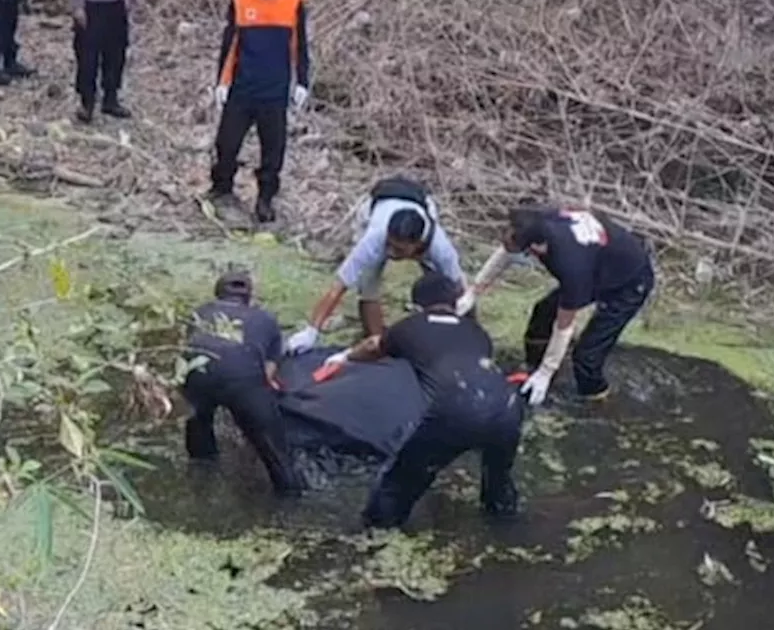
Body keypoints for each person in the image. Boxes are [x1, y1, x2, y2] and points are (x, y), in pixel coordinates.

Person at [323, 272, 522, 528]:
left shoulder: (410, 326)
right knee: (498, 481)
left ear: (417, 305)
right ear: (455, 302)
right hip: (508, 407)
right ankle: (506, 531)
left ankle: (376, 534)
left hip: (456, 410)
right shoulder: (477, 331)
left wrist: (344, 357)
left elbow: (374, 346)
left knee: (397, 484)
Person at [458, 205, 654, 406]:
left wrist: (547, 372)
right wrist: (474, 291)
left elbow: (564, 326)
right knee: (542, 314)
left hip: (629, 282)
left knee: (586, 358)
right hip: (598, 264)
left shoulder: (571, 267)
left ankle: (599, 404)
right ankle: (532, 369)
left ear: (534, 250)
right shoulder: (536, 221)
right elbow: (506, 252)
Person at [285, 176, 465, 352]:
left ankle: (436, 333)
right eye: (390, 245)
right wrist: (312, 331)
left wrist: (470, 333)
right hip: (375, 207)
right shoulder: (375, 238)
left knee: (439, 288)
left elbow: (461, 292)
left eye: (399, 250)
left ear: (417, 244)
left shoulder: (441, 250)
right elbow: (338, 287)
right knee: (368, 283)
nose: (391, 253)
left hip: (422, 204)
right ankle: (376, 340)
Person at [208, 0, 311, 224]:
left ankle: (265, 199)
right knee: (226, 144)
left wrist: (302, 80)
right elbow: (230, 45)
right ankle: (221, 188)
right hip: (243, 87)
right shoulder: (240, 0)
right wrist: (222, 82)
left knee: (273, 150)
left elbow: (299, 46)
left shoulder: (293, 2)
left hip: (275, 90)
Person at [181, 270, 304, 497]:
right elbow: (268, 373)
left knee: (199, 422)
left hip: (197, 373)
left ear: (216, 295)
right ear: (249, 298)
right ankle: (290, 496)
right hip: (242, 377)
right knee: (275, 453)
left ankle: (200, 479)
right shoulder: (265, 319)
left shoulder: (199, 313)